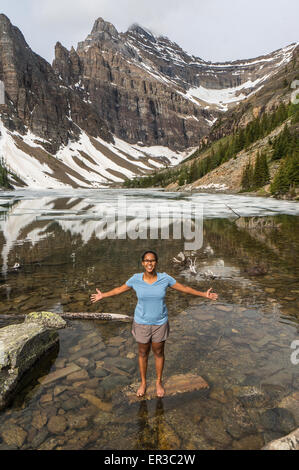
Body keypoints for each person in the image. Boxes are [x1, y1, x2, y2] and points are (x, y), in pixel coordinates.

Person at [90, 250, 218, 398]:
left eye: (152, 260)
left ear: (156, 262)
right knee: (143, 353)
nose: (149, 263)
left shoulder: (165, 278)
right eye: (146, 260)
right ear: (142, 263)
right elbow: (120, 289)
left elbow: (185, 289)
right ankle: (143, 383)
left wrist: (204, 294)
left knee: (158, 353)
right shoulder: (135, 279)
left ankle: (158, 382)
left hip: (160, 323)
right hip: (141, 323)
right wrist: (103, 295)